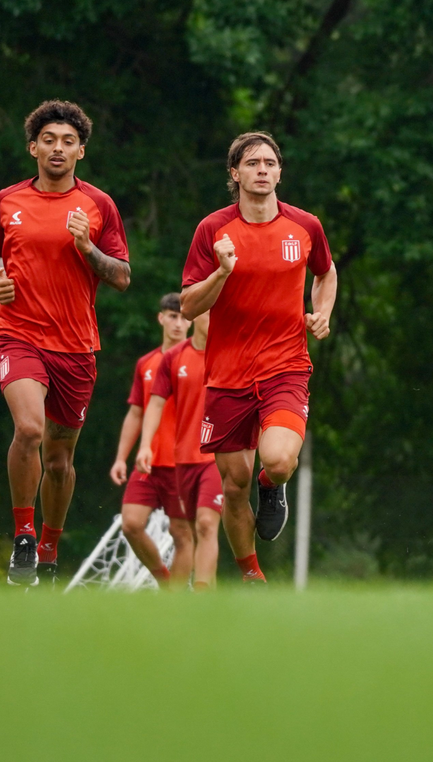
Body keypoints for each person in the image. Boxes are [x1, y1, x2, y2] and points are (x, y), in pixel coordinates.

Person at [0, 100, 131, 587]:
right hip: (16, 332)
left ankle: (48, 547)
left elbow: (123, 277)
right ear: (33, 147)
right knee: (28, 431)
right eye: (49, 140)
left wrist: (88, 247)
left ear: (81, 151)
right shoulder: (7, 200)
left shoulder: (98, 206)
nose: (58, 148)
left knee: (61, 459)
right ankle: (23, 535)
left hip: (76, 346)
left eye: (68, 141)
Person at [180, 132, 337, 583]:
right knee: (233, 486)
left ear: (280, 172)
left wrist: (321, 313)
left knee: (278, 460)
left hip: (285, 366)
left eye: (270, 162)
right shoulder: (213, 230)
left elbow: (326, 274)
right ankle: (252, 576)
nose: (263, 170)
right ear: (235, 173)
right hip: (227, 375)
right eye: (252, 163)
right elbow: (189, 305)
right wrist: (223, 272)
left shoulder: (305, 226)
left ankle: (273, 488)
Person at [108, 294, 192, 587]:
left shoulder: (198, 361)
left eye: (184, 317)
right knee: (130, 523)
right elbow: (135, 413)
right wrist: (121, 457)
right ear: (161, 318)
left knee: (182, 533)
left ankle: (176, 603)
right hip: (149, 460)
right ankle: (164, 580)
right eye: (173, 316)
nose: (178, 323)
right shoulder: (146, 363)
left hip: (184, 463)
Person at [137, 311, 222, 589]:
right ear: (196, 315)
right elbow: (156, 404)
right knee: (189, 531)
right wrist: (146, 446)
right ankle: (204, 590)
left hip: (217, 456)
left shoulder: (229, 353)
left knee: (207, 525)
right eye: (211, 313)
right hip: (182, 460)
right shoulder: (173, 358)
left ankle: (200, 595)